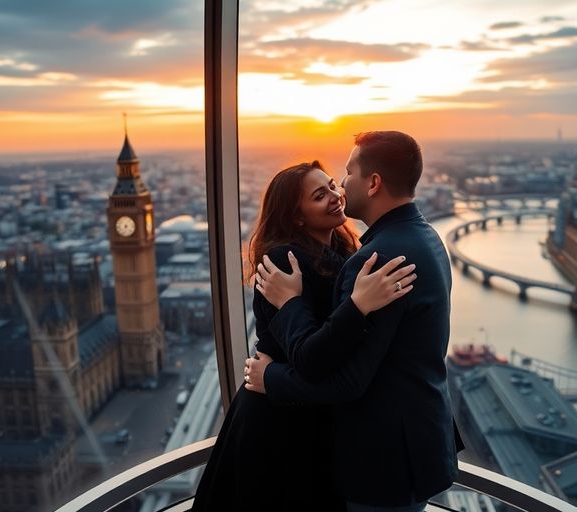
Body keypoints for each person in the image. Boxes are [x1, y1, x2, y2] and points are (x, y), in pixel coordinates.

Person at [247, 131, 462, 512]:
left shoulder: (377, 260)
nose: (341, 188)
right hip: (413, 443)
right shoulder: (426, 237)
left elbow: (347, 380)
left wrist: (272, 377)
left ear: (374, 182)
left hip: (385, 458)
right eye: (324, 189)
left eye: (344, 175)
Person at [191, 161, 416, 512]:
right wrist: (358, 305)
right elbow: (311, 358)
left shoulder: (341, 252)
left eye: (330, 186)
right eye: (319, 195)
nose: (334, 196)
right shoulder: (283, 261)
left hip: (304, 410)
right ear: (296, 217)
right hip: (277, 422)